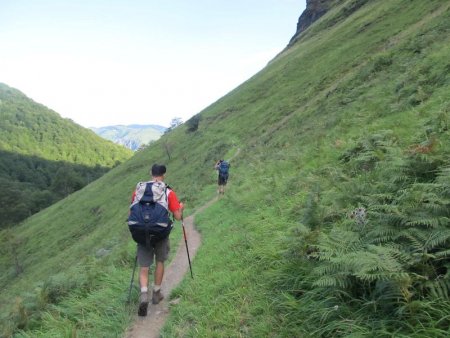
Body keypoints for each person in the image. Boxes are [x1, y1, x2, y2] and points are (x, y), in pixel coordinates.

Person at [129, 164, 184, 316]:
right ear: (163, 175)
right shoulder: (168, 192)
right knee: (160, 261)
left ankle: (144, 295)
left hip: (141, 234)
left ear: (151, 173)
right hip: (160, 234)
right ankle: (156, 293)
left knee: (144, 266)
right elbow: (178, 217)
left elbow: (131, 212)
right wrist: (181, 207)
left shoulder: (138, 191)